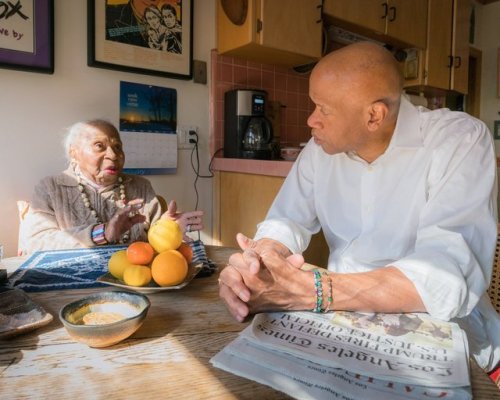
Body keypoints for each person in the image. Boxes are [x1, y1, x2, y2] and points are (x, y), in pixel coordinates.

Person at [218, 41, 499, 373]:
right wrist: (258, 261)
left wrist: (314, 291)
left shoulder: (459, 140)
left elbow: (444, 278)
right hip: (345, 329)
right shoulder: (319, 151)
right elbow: (285, 221)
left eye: (323, 109)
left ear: (373, 115)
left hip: (452, 344)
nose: (311, 120)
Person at [21, 119, 203, 253]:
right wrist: (102, 233)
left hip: (134, 281)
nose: (113, 155)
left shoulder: (140, 186)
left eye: (118, 147)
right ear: (74, 153)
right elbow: (36, 242)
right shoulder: (51, 188)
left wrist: (168, 230)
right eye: (100, 146)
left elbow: (157, 246)